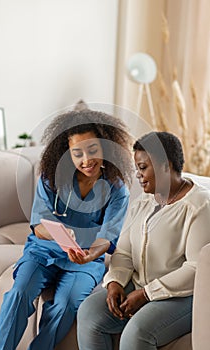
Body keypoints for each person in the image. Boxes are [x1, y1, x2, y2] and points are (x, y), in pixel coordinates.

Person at [0, 108, 134, 350]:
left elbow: (107, 237)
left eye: (92, 150)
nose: (86, 160)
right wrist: (62, 234)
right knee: (19, 294)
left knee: (66, 305)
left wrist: (88, 254)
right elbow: (38, 225)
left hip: (86, 260)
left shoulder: (117, 190)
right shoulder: (51, 179)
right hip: (43, 251)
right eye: (77, 153)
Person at [77, 131, 210, 350]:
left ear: (165, 166)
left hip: (184, 296)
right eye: (137, 168)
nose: (138, 175)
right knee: (89, 313)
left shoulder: (200, 206)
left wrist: (147, 294)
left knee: (135, 334)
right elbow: (124, 251)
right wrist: (114, 283)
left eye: (143, 167)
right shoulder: (143, 201)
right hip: (140, 286)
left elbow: (195, 269)